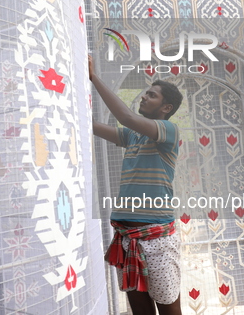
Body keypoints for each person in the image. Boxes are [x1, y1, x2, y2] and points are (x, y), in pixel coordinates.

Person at [89, 55, 183, 315]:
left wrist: (93, 77)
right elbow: (89, 127)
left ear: (166, 108)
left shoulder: (168, 130)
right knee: (141, 312)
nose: (144, 97)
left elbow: (126, 117)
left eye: (152, 95)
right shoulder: (133, 137)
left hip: (157, 239)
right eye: (146, 93)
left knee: (169, 310)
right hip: (127, 239)